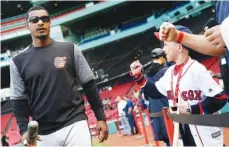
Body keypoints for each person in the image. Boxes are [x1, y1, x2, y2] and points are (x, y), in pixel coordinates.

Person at [10, 6, 108, 146]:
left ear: (50, 22)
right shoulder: (18, 62)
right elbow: (18, 101)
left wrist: (101, 118)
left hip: (75, 123)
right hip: (43, 133)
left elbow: (89, 85)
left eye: (44, 19)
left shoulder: (70, 49)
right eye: (34, 20)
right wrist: (24, 130)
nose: (40, 23)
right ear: (27, 25)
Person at [130, 25, 227, 146]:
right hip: (185, 134)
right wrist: (138, 76)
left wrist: (191, 109)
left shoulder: (196, 69)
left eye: (166, 44)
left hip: (206, 137)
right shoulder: (170, 72)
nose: (163, 50)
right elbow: (154, 91)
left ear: (179, 47)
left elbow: (220, 98)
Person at [136, 48, 170, 145]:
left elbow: (145, 96)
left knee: (167, 141)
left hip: (155, 112)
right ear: (163, 57)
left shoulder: (146, 75)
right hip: (168, 111)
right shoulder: (166, 71)